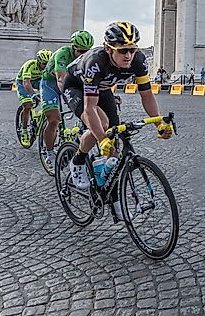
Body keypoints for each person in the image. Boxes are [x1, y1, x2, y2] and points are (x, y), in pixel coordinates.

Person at [62, 22, 173, 191]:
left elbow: (147, 95)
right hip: (75, 87)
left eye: (132, 49)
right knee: (103, 125)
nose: (128, 55)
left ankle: (108, 188)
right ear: (108, 48)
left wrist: (159, 123)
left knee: (114, 135)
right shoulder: (95, 62)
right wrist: (101, 139)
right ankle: (77, 161)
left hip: (103, 88)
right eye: (122, 50)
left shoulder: (139, 61)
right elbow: (89, 108)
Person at [38, 30, 95, 168]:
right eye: (80, 52)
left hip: (72, 82)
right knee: (54, 119)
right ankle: (49, 153)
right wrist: (68, 98)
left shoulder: (88, 57)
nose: (83, 55)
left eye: (86, 52)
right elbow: (61, 79)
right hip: (50, 84)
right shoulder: (63, 54)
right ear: (73, 47)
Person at [16, 48, 53, 145]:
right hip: (23, 82)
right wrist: (33, 95)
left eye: (47, 64)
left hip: (38, 81)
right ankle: (24, 130)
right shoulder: (30, 64)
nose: (45, 67)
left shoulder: (50, 67)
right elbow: (26, 83)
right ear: (38, 61)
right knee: (28, 105)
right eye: (43, 64)